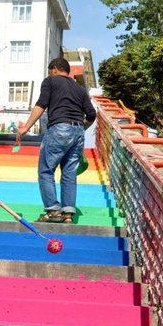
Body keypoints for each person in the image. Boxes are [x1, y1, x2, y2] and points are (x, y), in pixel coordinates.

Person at [16, 57, 97, 223]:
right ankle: (68, 213)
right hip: (78, 132)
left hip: (59, 128)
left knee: (46, 170)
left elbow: (41, 104)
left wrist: (26, 127)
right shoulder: (80, 89)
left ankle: (53, 210)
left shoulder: (50, 81)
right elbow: (92, 115)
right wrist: (80, 128)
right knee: (69, 172)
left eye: (50, 71)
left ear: (54, 69)